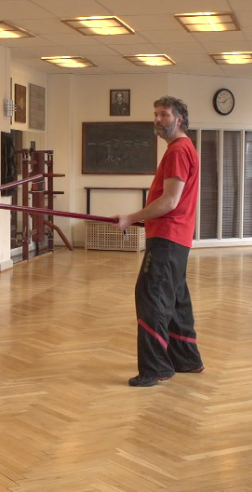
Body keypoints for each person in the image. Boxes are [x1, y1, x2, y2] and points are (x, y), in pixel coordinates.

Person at [114, 96, 204, 387]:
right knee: (175, 299)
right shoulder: (184, 148)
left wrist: (131, 217)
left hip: (167, 239)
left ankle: (155, 368)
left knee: (151, 297)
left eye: (164, 114)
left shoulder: (178, 150)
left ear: (179, 119)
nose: (157, 119)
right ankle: (186, 360)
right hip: (175, 239)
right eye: (155, 114)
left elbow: (169, 201)